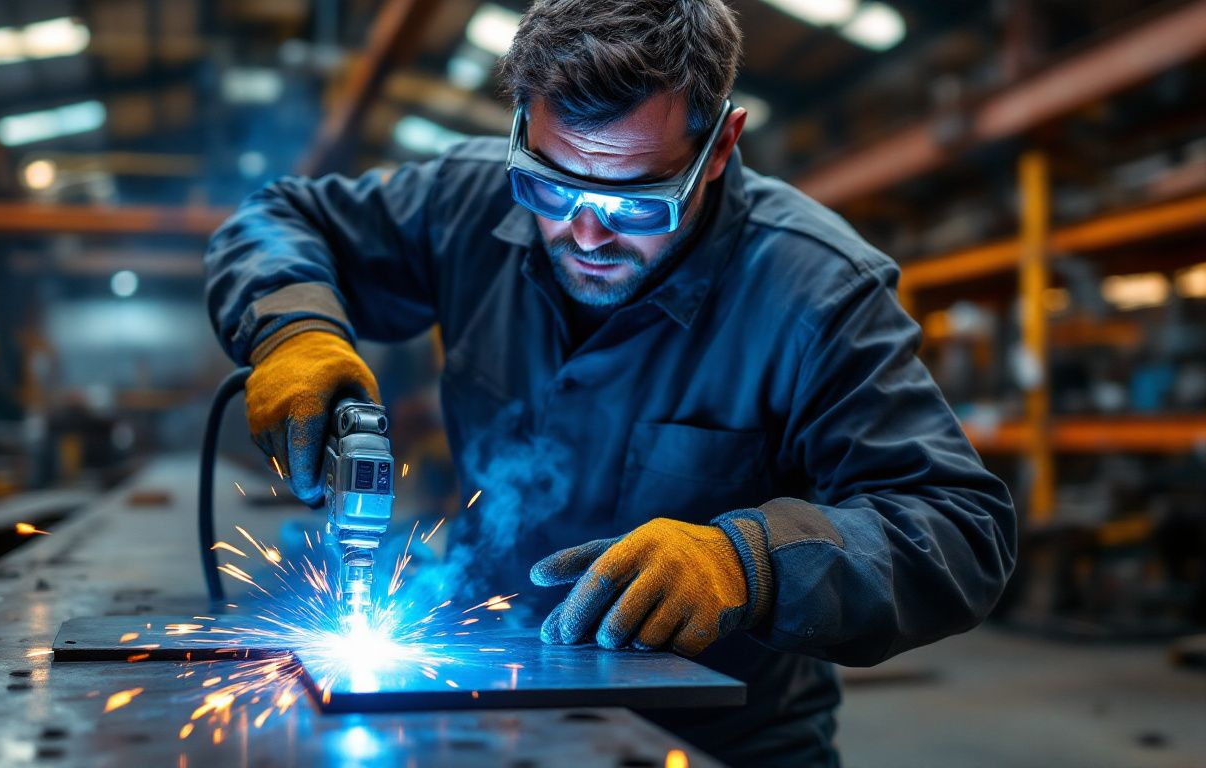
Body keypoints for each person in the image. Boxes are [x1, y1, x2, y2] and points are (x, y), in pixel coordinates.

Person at [204, 1, 1017, 763]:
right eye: (551, 187)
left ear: (721, 147)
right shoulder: (464, 198)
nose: (585, 233)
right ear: (523, 124)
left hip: (718, 735)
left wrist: (750, 563)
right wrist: (294, 328)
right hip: (489, 696)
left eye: (637, 203)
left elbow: (955, 524)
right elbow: (278, 220)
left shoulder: (815, 291)